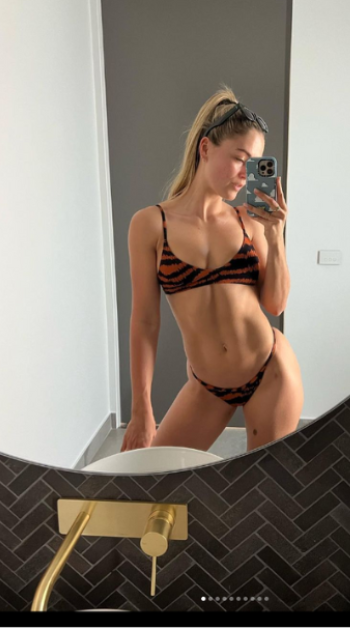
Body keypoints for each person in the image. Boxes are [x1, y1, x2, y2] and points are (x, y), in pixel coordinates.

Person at [122, 86, 304, 455]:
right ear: (205, 148)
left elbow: (276, 304)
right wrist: (141, 408)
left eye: (254, 164)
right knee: (156, 475)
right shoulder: (151, 225)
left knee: (262, 483)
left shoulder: (249, 221)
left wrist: (276, 235)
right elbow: (145, 321)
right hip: (208, 386)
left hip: (270, 370)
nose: (245, 174)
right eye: (240, 159)